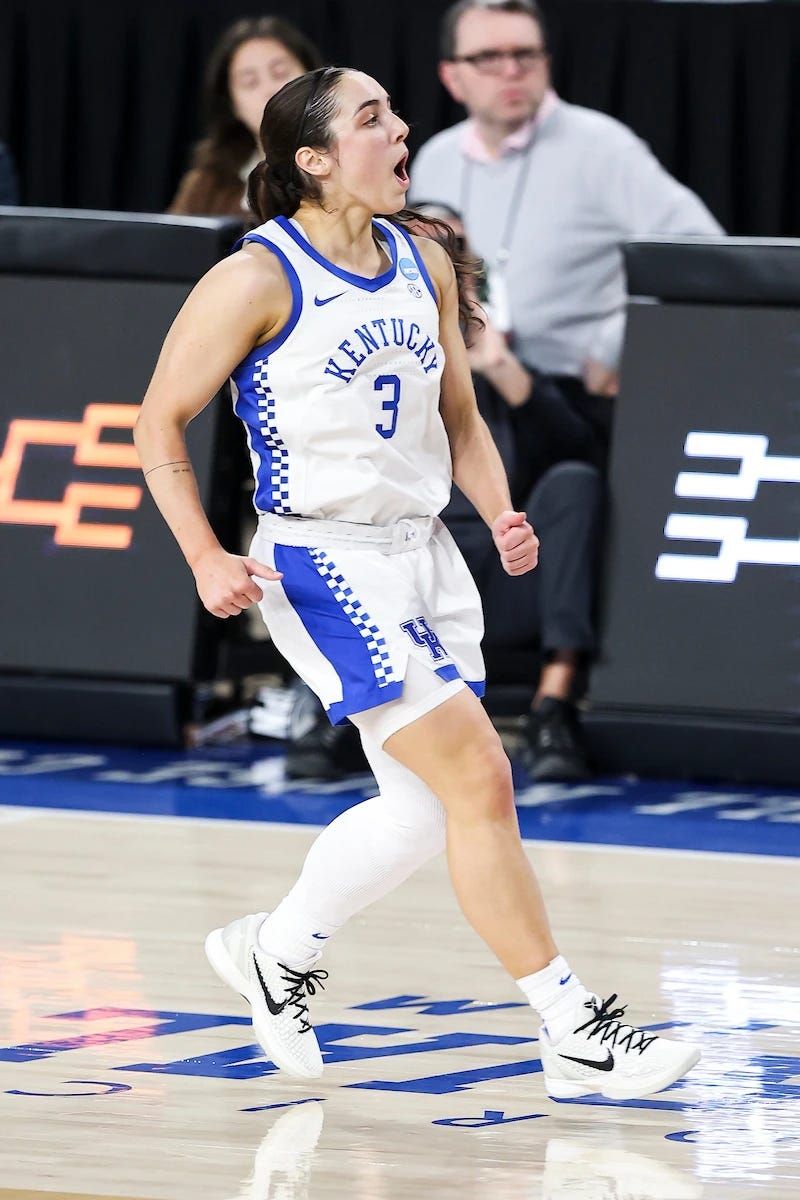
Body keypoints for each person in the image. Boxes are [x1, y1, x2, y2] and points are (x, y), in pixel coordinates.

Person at [135, 65, 700, 1100]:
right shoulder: (256, 277)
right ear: (311, 161)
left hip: (423, 553)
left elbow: (461, 418)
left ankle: (276, 949)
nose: (399, 132)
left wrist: (498, 511)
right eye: (371, 119)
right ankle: (571, 1027)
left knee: (423, 809)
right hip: (323, 560)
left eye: (394, 112)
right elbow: (155, 422)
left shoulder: (422, 258)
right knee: (481, 779)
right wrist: (205, 556)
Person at [410, 0, 724, 767]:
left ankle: (558, 703)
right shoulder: (437, 160)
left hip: (565, 396)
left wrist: (617, 343)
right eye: (490, 58)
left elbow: (703, 248)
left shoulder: (600, 146)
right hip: (456, 388)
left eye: (526, 53)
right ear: (453, 76)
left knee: (575, 487)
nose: (511, 70)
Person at [418, 202, 601, 781]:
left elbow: (578, 447)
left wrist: (501, 369)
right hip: (416, 573)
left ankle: (554, 708)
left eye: (457, 251)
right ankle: (333, 716)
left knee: (576, 484)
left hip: (509, 570)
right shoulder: (378, 359)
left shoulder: (506, 363)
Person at [168, 17, 323, 217]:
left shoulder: (350, 158)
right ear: (232, 105)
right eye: (250, 82)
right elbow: (168, 244)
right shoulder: (207, 184)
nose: (270, 91)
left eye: (280, 73)